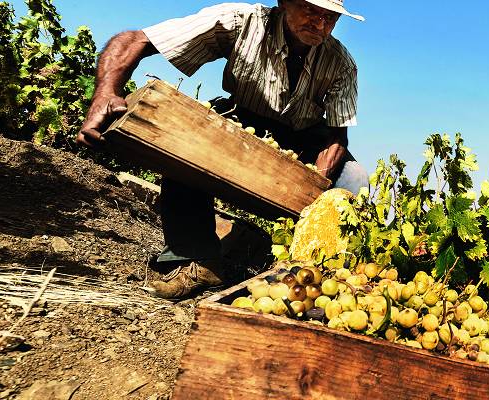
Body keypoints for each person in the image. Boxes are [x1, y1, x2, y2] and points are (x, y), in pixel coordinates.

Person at [76, 0, 369, 299]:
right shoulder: (242, 22)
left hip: (305, 138)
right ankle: (197, 259)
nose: (319, 24)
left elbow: (336, 135)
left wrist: (312, 185)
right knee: (191, 136)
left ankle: (324, 272)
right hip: (243, 120)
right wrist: (105, 93)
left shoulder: (340, 63)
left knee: (353, 180)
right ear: (283, 3)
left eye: (329, 17)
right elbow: (137, 39)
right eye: (310, 11)